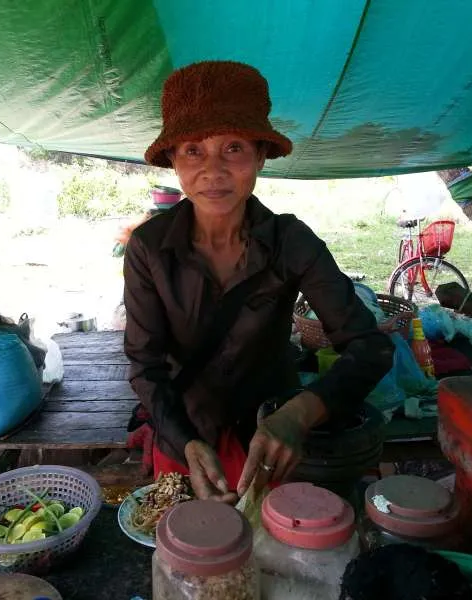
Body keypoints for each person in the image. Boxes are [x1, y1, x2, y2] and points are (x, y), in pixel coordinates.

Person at [124, 61, 395, 503]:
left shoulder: (291, 242)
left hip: (273, 445)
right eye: (193, 150)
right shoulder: (149, 249)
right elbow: (145, 364)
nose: (212, 170)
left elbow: (370, 345)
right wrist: (186, 442)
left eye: (232, 148)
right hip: (185, 442)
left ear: (260, 155)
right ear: (173, 160)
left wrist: (300, 414)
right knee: (191, 560)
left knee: (272, 557)